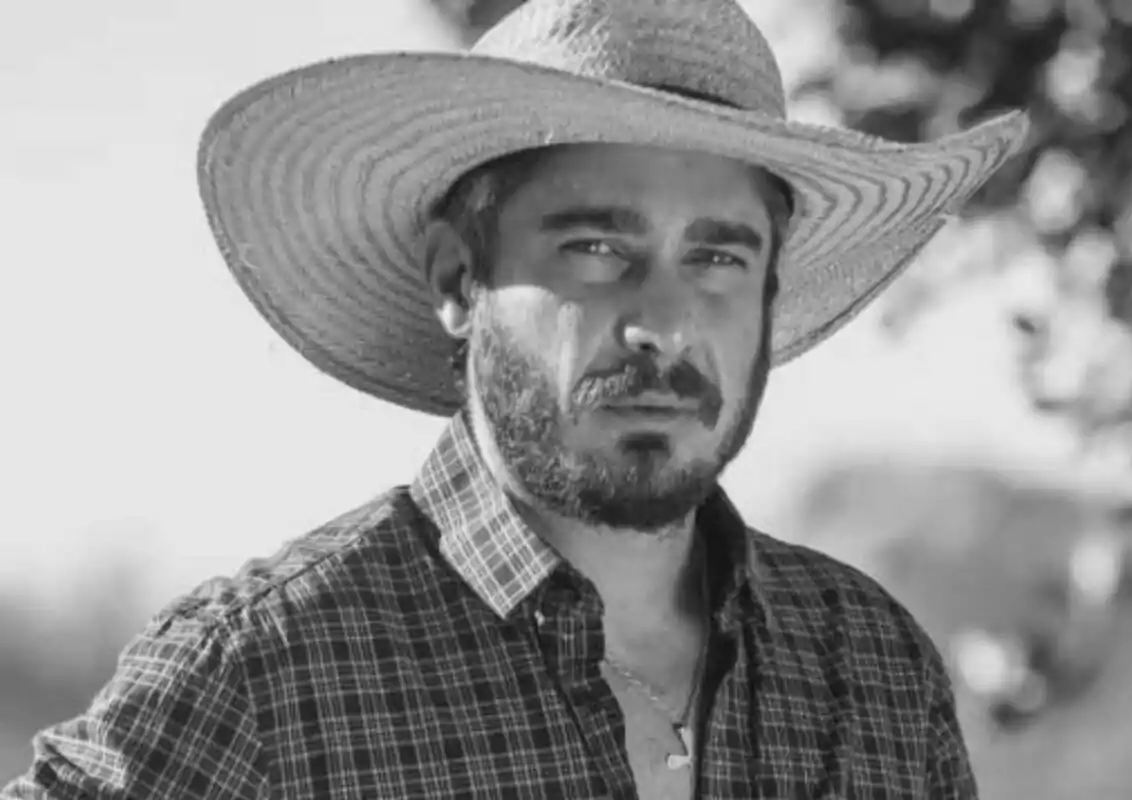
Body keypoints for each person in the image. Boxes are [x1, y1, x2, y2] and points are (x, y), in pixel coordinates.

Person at [2, 0, 1028, 797]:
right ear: (459, 281)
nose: (663, 322)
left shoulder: (874, 663)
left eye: (717, 255)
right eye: (598, 248)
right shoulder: (267, 674)